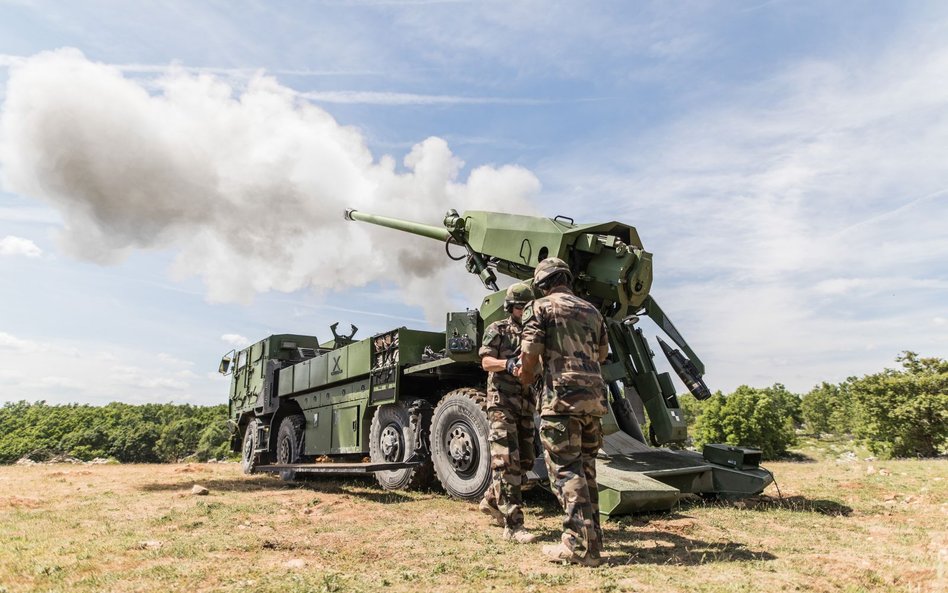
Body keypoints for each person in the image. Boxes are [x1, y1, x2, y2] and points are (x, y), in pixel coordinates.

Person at [519, 257, 609, 567]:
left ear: (542, 283)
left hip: (561, 400)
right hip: (594, 401)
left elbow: (529, 354)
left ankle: (579, 547)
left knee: (566, 470)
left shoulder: (539, 308)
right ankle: (593, 540)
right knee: (586, 470)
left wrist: (527, 378)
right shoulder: (592, 311)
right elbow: (602, 353)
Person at [478, 281, 538, 544]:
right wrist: (507, 363)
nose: (523, 311)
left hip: (526, 404)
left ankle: (492, 499)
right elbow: (485, 361)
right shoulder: (498, 329)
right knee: (506, 463)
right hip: (502, 404)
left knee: (525, 463)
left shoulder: (534, 332)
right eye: (519, 307)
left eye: (527, 307)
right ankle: (513, 526)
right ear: (511, 307)